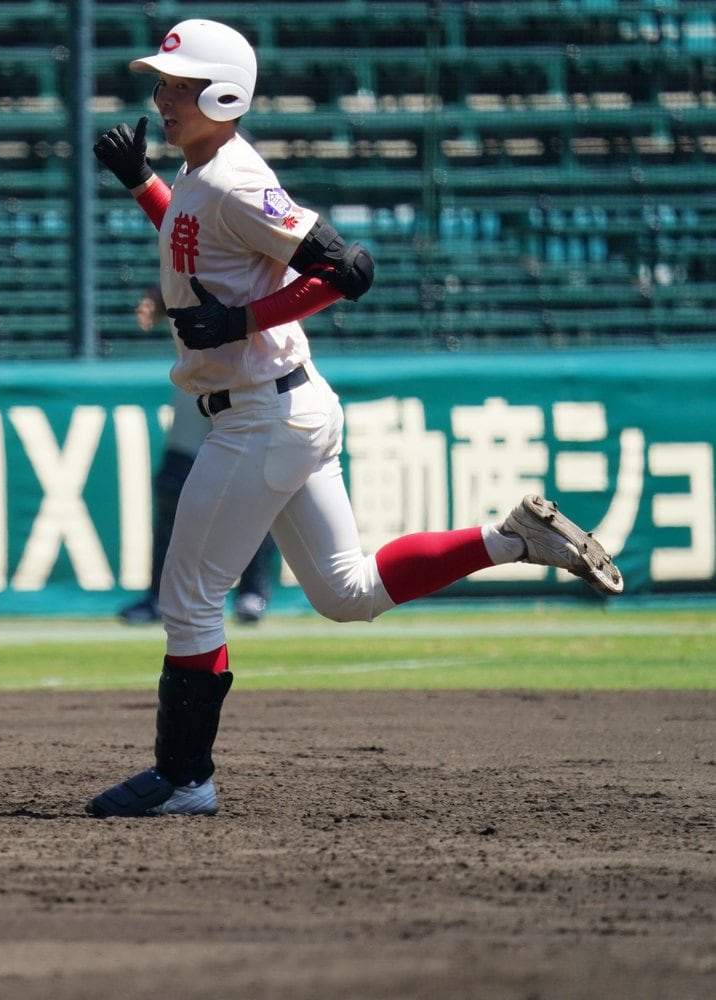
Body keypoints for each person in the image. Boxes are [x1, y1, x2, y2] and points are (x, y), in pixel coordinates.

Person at [86, 19, 624, 819]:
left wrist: (240, 323)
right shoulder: (203, 174)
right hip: (287, 405)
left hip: (259, 415)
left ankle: (185, 777)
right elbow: (199, 243)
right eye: (163, 82)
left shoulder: (233, 176)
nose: (162, 96)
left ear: (225, 93)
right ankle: (512, 538)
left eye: (181, 85)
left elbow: (347, 269)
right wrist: (142, 185)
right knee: (349, 592)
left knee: (189, 595)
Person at [117, 284, 276, 626]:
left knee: (252, 491)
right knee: (173, 487)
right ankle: (161, 595)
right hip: (199, 379)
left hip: (253, 379)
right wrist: (157, 299)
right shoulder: (200, 231)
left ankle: (252, 590)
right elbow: (182, 268)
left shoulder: (260, 237)